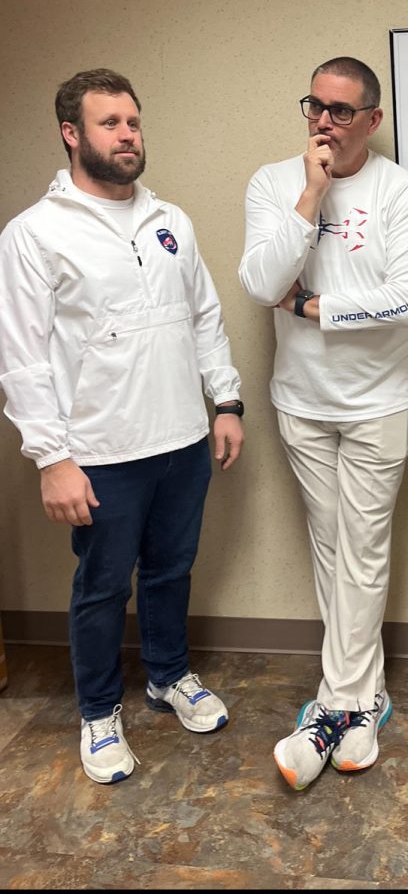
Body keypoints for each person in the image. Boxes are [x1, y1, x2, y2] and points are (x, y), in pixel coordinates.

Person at [0, 68, 244, 784]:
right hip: (100, 453)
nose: (128, 134)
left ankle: (169, 677)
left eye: (133, 122)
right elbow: (21, 358)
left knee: (171, 570)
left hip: (182, 441)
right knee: (103, 588)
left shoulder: (169, 220)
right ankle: (99, 714)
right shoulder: (34, 234)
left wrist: (224, 402)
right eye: (110, 123)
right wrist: (50, 457)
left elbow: (203, 316)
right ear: (71, 134)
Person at [239, 56, 408, 791]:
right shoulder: (272, 183)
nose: (324, 121)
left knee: (364, 545)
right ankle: (366, 700)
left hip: (380, 400)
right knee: (331, 546)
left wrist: (313, 307)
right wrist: (310, 195)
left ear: (372, 120)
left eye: (341, 111)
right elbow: (260, 282)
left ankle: (333, 705)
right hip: (301, 399)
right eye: (314, 107)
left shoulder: (404, 193)